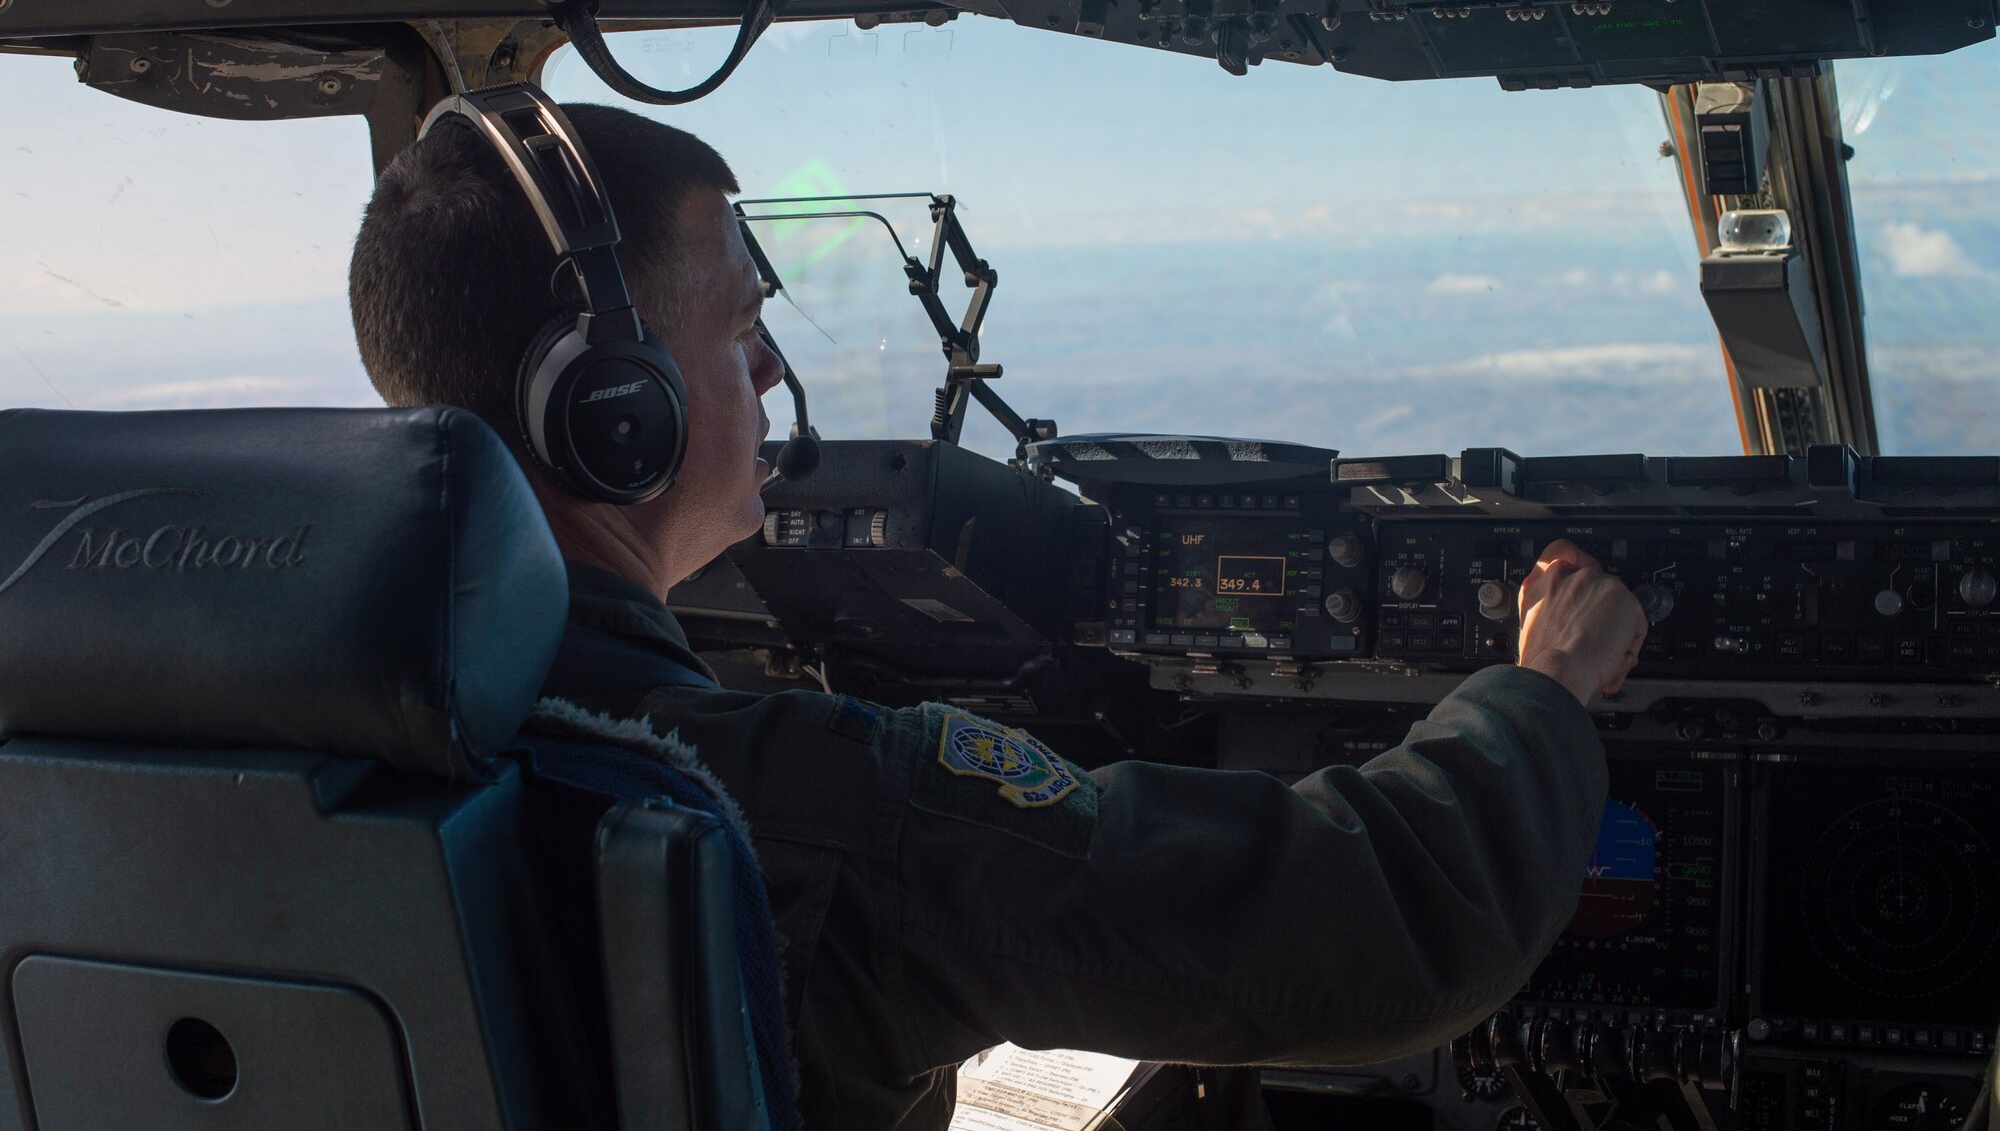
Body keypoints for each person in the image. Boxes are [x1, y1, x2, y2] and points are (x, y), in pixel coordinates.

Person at [349, 102, 1649, 1129]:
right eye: (742, 324)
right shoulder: (782, 804)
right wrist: (1542, 691)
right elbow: (1376, 922)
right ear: (610, 412)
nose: (768, 369)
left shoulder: (251, 728)